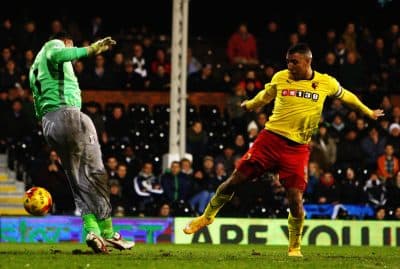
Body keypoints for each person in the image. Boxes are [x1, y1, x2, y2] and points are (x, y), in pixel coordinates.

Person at [183, 43, 384, 257]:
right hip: (269, 140)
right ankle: (207, 217)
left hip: (296, 149)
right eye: (288, 61)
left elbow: (347, 97)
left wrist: (367, 111)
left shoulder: (325, 82)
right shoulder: (281, 77)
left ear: (308, 61)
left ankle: (294, 247)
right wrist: (250, 104)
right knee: (233, 181)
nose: (290, 66)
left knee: (296, 201)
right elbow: (265, 95)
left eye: (294, 62)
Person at [29, 31, 135, 253]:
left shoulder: (34, 68)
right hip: (68, 115)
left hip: (50, 125)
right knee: (96, 173)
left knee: (77, 180)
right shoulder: (53, 45)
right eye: (71, 45)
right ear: (67, 41)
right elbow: (59, 55)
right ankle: (108, 231)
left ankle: (91, 229)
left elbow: (38, 107)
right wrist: (92, 49)